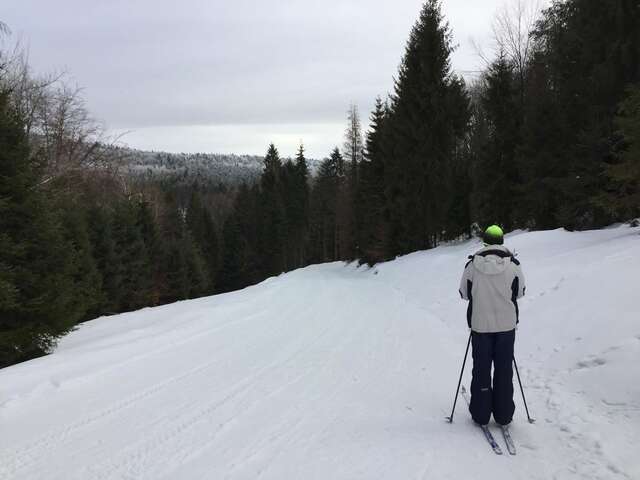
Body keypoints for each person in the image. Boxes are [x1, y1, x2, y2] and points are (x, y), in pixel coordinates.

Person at [458, 225, 526, 426]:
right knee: (504, 369)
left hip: (480, 327)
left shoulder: (472, 266)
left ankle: (480, 414)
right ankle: (504, 415)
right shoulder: (513, 266)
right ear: (502, 241)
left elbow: (464, 294)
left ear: (485, 242)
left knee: (481, 368)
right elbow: (520, 292)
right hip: (506, 327)